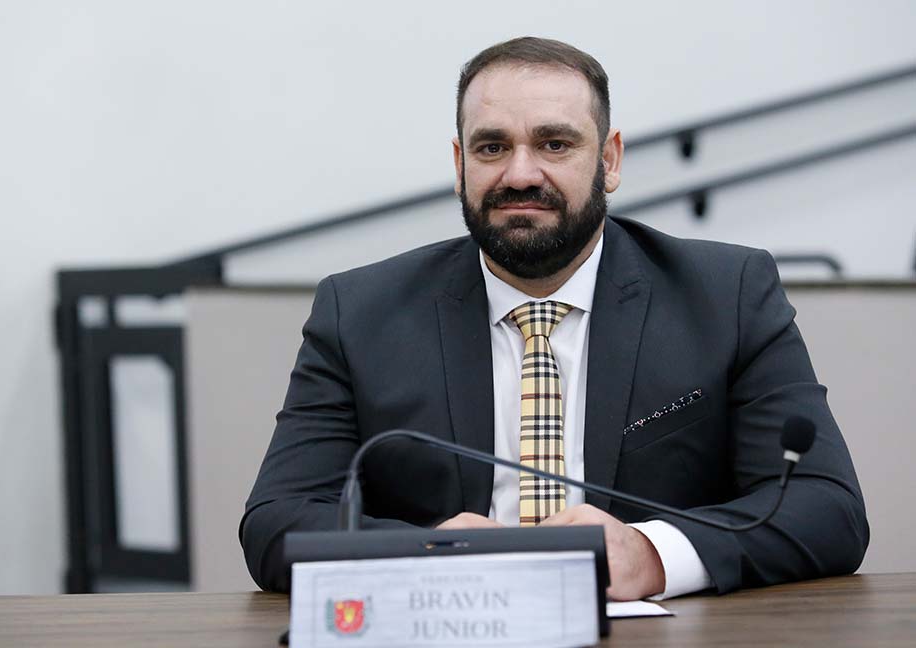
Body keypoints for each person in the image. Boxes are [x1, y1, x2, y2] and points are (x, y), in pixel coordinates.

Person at [241, 36, 868, 601]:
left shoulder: (726, 295)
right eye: (492, 147)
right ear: (460, 166)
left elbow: (826, 507)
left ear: (610, 160)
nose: (520, 174)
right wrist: (425, 553)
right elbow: (276, 521)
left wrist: (652, 555)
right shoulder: (359, 312)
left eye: (555, 144)